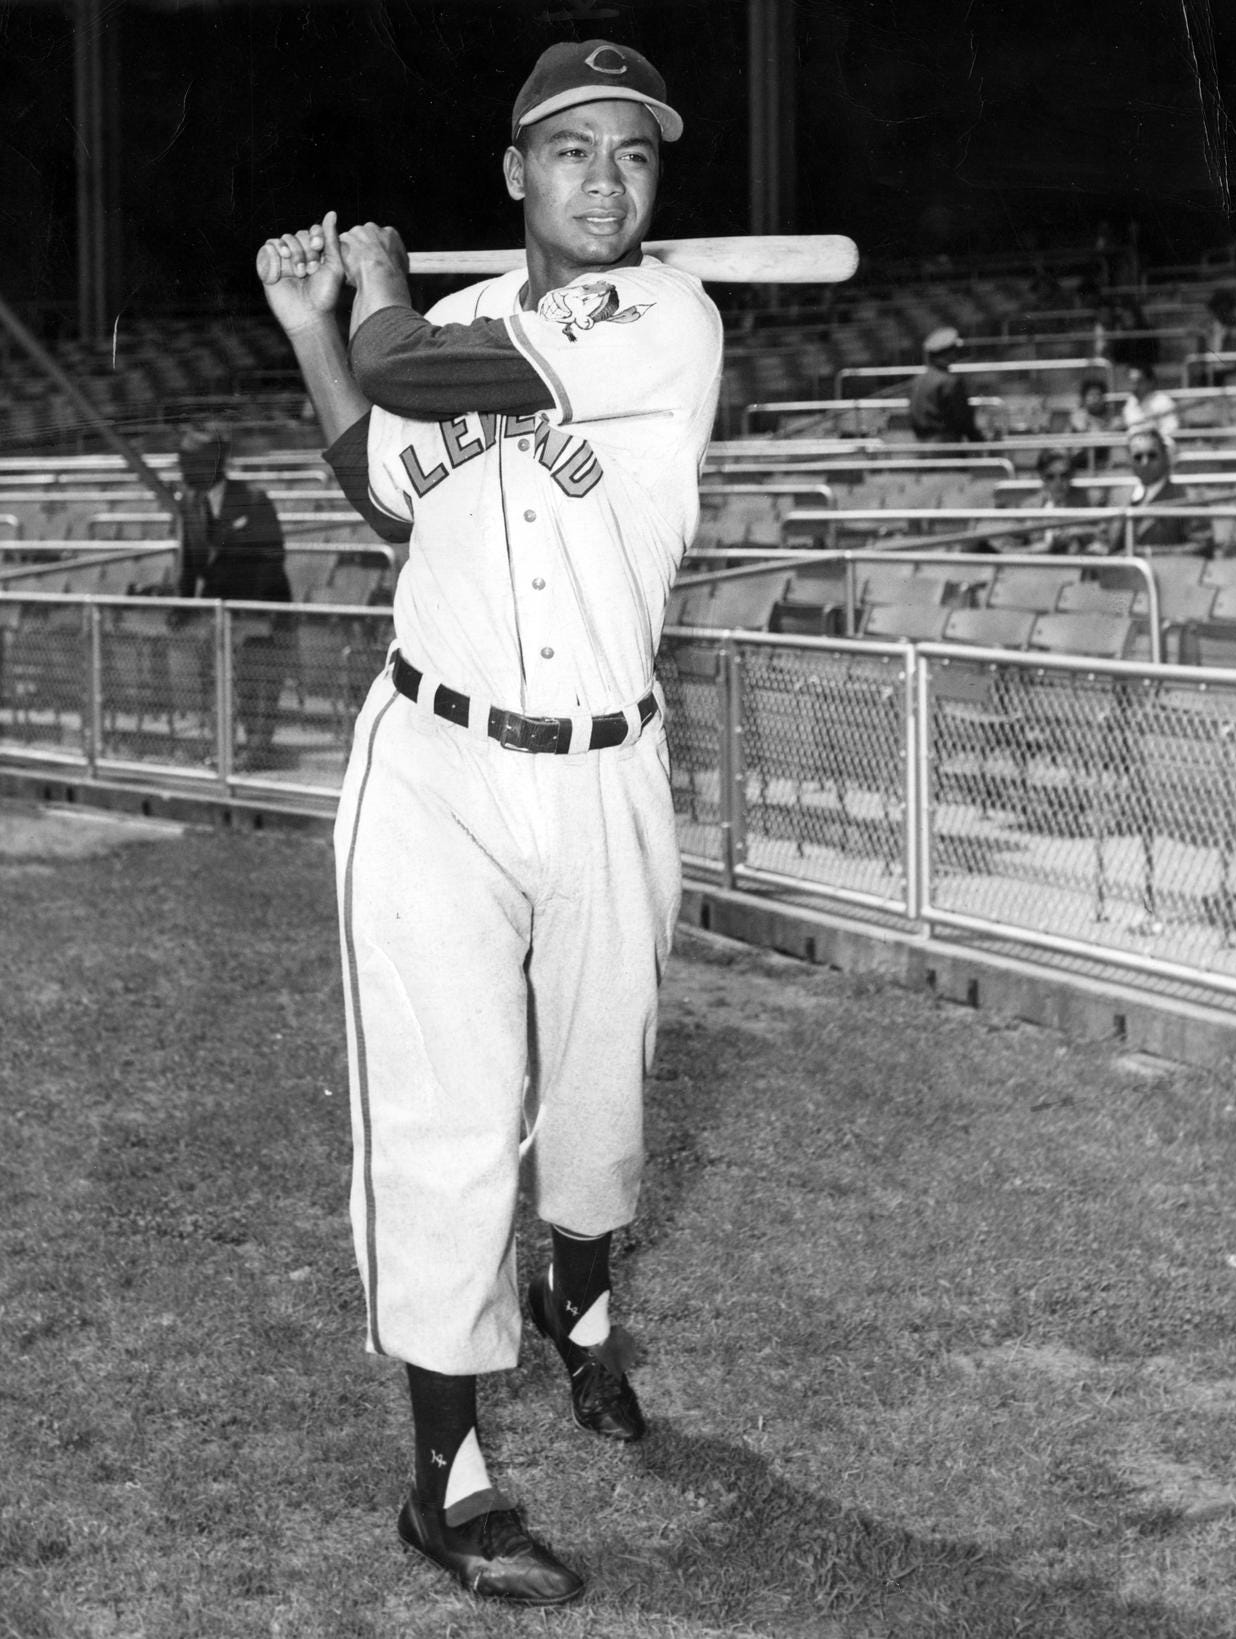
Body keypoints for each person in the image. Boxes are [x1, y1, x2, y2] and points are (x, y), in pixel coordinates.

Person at [256, 39, 722, 1607]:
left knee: (597, 1103)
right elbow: (384, 483)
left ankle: (575, 1290)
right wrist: (321, 329)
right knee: (446, 1113)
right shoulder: (435, 330)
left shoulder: (669, 320)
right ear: (516, 175)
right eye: (571, 151)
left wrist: (373, 293)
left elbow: (441, 379)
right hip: (436, 765)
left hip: (604, 761)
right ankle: (445, 1473)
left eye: (633, 155)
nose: (606, 179)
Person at [170, 421, 293, 767]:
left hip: (258, 610)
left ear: (213, 464)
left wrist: (246, 610)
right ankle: (225, 749)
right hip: (219, 614)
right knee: (220, 683)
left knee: (258, 685)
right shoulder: (189, 505)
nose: (182, 472)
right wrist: (182, 607)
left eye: (189, 464)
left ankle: (256, 751)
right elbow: (190, 563)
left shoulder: (253, 499)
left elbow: (273, 557)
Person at [1106, 428, 1213, 557]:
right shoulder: (1118, 495)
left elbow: (1202, 548)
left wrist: (1148, 553)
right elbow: (1104, 540)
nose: (1144, 462)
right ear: (1130, 461)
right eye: (1138, 457)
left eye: (1152, 455)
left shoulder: (1189, 498)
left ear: (1165, 457)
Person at [1016, 447, 1103, 555]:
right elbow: (1010, 550)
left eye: (1064, 475)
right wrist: (1040, 548)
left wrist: (1080, 531)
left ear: (1072, 474)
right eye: (1050, 477)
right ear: (1042, 477)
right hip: (1040, 566)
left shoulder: (1090, 500)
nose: (1058, 482)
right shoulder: (1028, 507)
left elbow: (1104, 535)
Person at [907, 325, 984, 443]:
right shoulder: (950, 382)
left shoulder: (917, 380)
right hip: (946, 445)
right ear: (949, 353)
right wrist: (978, 441)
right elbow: (963, 418)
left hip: (920, 445)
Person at [1067, 374, 1118, 472]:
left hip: (1102, 464)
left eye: (1098, 395)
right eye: (1091, 395)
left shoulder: (1110, 417)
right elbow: (1085, 430)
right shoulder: (1078, 416)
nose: (1095, 399)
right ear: (1084, 398)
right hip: (1079, 463)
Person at [1119, 363, 1179, 441]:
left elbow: (1172, 430)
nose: (1134, 386)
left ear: (1150, 382)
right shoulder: (1130, 402)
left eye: (1139, 381)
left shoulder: (1163, 402)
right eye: (1131, 382)